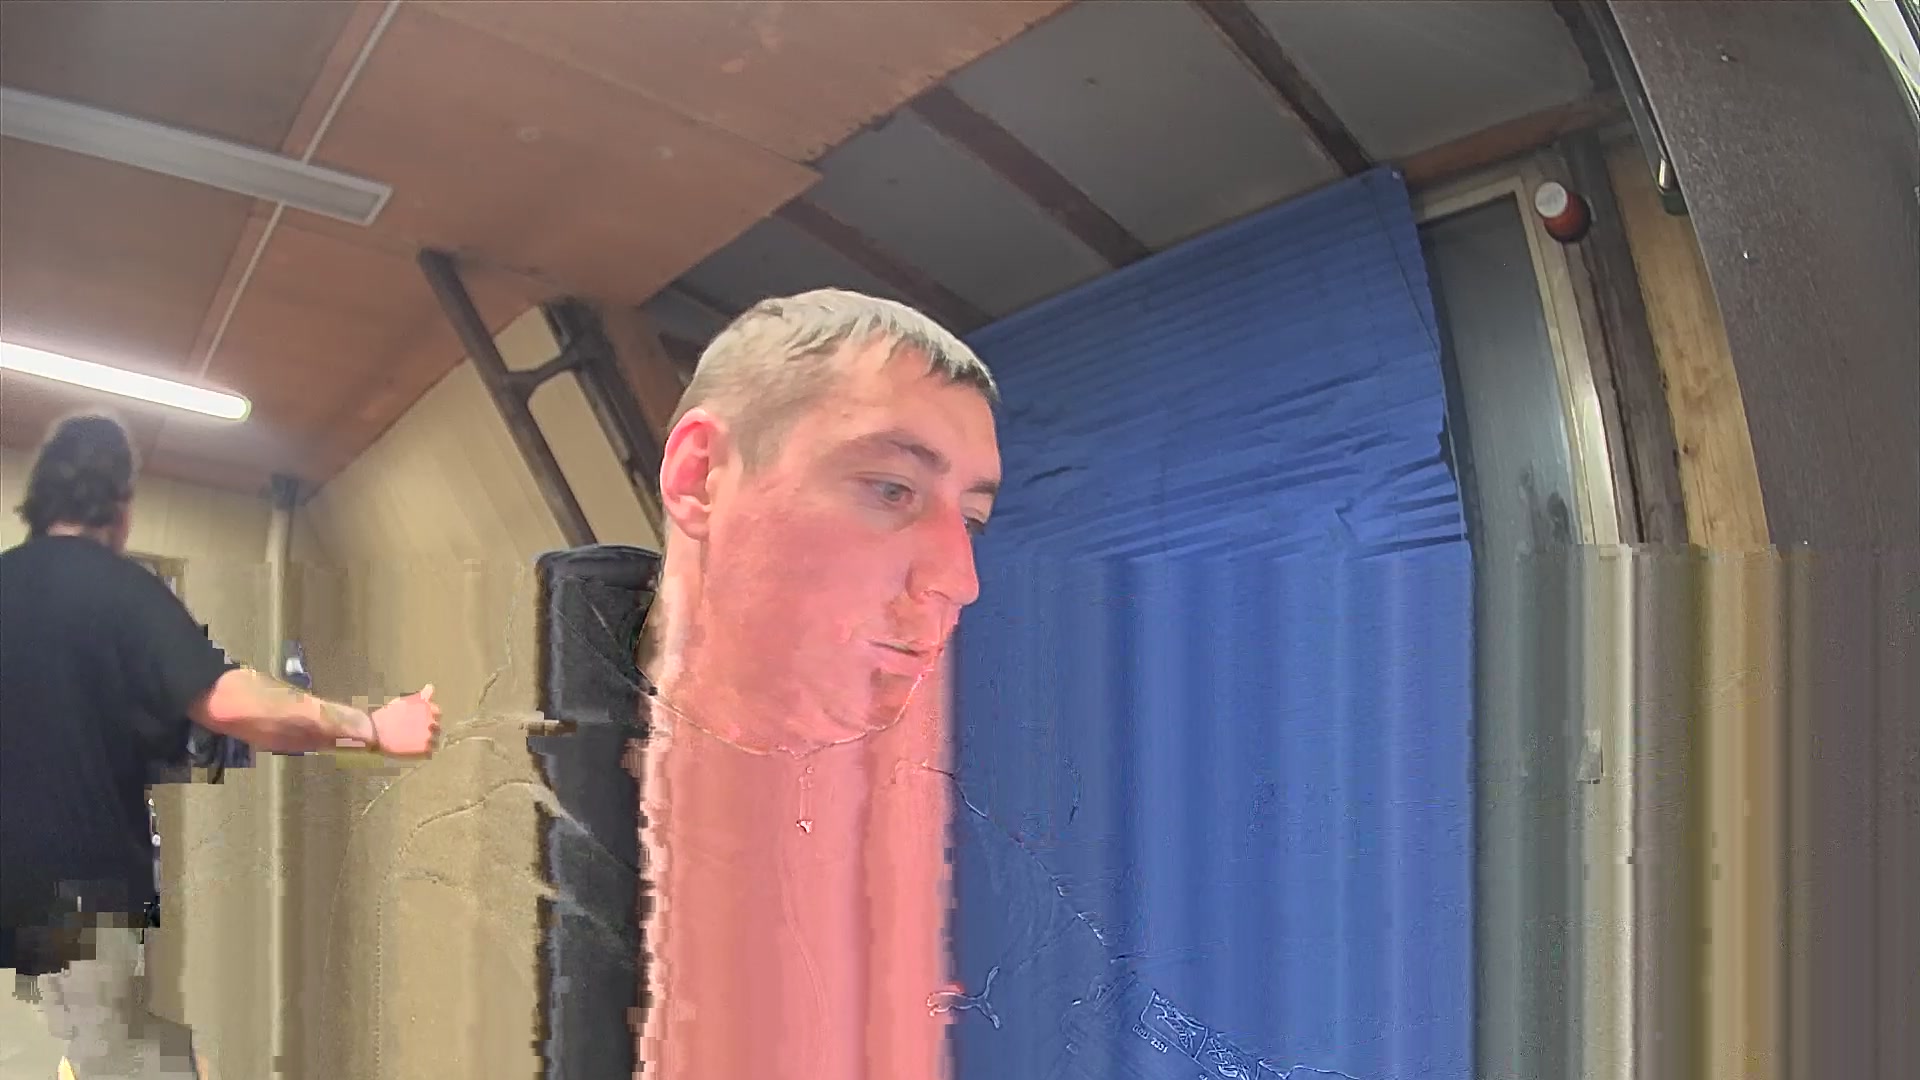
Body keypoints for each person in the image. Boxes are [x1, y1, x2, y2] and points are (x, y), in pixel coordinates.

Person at [630, 289, 1279, 1080]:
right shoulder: (541, 832)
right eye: (891, 488)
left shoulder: (956, 838)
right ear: (700, 478)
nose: (960, 580)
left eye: (970, 521)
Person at [0, 413, 442, 1080]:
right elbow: (230, 701)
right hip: (74, 907)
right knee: (135, 1061)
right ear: (121, 504)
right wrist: (373, 727)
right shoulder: (117, 590)